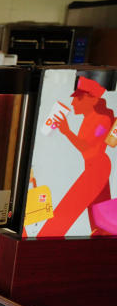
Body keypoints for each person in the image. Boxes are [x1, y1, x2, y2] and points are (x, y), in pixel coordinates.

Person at [38, 75, 115, 237]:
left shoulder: (102, 121)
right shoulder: (88, 118)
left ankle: (47, 236)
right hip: (94, 167)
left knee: (69, 207)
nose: (72, 103)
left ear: (92, 99)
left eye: (77, 99)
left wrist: (66, 132)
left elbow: (88, 146)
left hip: (98, 168)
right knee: (101, 217)